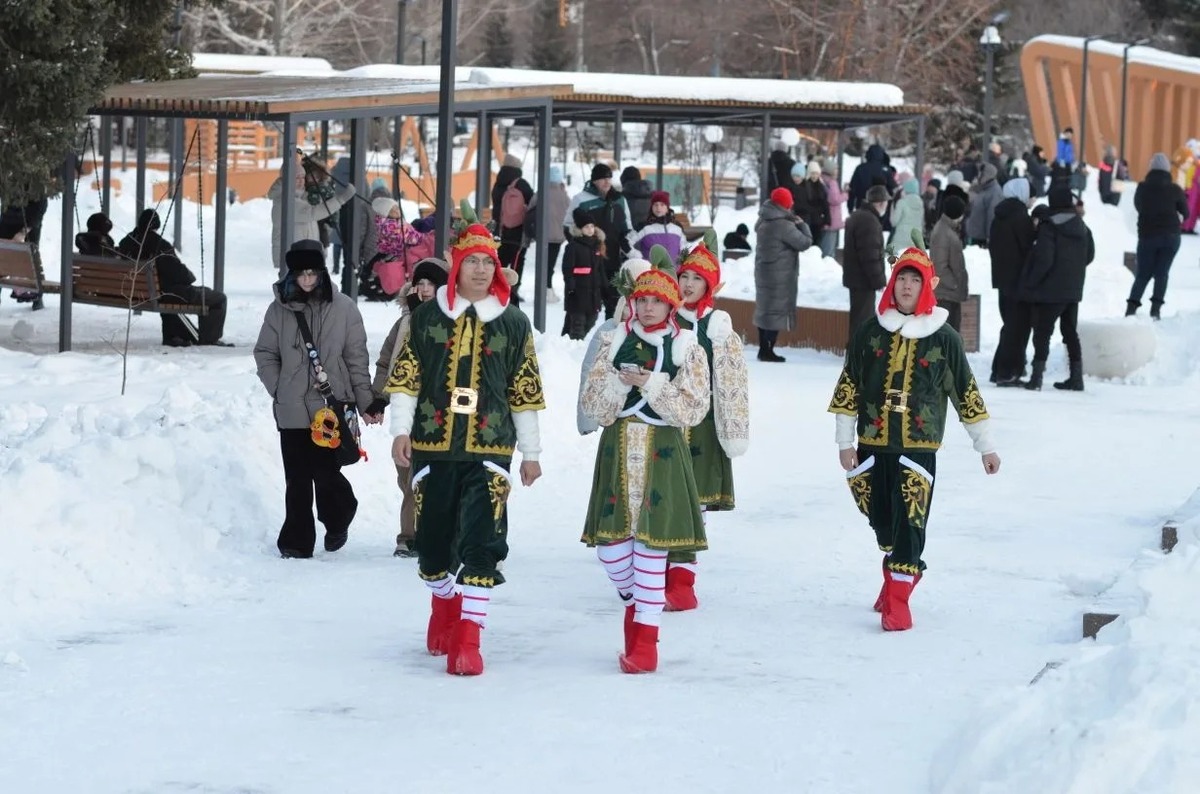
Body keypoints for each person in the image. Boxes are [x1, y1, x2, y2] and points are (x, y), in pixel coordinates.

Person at [385, 221, 546, 677]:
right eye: (471, 261)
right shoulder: (426, 318)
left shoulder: (513, 324)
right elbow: (407, 381)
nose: (478, 269)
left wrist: (530, 452)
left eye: (486, 262)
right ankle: (443, 603)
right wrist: (400, 430)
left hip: (491, 447)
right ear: (457, 266)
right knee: (434, 548)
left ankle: (470, 638)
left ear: (496, 269)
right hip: (433, 444)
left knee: (482, 541)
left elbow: (525, 392)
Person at [828, 246, 1000, 632]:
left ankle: (899, 599)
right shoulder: (870, 332)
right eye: (901, 278)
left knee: (910, 523)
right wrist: (844, 441)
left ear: (926, 287)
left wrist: (985, 445)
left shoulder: (945, 338)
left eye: (914, 279)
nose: (906, 286)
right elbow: (849, 386)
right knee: (882, 523)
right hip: (872, 444)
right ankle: (895, 575)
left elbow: (966, 393)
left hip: (918, 450)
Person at [578, 266, 711, 673]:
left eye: (657, 300)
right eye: (642, 300)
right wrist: (620, 384)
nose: (649, 307)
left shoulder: (688, 346)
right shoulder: (611, 340)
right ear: (631, 303)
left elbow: (693, 408)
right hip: (617, 450)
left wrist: (651, 383)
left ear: (671, 305)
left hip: (664, 453)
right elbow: (595, 407)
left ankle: (644, 645)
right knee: (612, 551)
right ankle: (636, 604)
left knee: (652, 550)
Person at [253, 240, 380, 558]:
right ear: (290, 275)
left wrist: (366, 402)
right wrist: (279, 388)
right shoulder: (278, 309)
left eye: (312, 273)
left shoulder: (344, 308)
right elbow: (265, 353)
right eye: (300, 274)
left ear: (322, 273)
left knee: (326, 475)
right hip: (292, 407)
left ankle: (339, 517)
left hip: (329, 409)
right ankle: (296, 542)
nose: (307, 280)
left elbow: (356, 359)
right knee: (296, 479)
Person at [670, 242, 751, 611]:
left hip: (700, 428)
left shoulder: (717, 327)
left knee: (691, 500)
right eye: (683, 276)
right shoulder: (662, 315)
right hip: (665, 420)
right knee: (661, 496)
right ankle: (657, 572)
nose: (687, 285)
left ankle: (682, 580)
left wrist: (733, 428)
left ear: (709, 286)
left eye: (695, 279)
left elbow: (732, 384)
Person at [367, 257, 450, 558]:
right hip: (408, 406)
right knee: (407, 473)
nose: (425, 290)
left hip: (440, 409)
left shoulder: (452, 322)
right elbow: (386, 362)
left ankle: (424, 533)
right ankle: (411, 532)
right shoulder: (404, 322)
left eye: (432, 284)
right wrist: (378, 397)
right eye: (421, 283)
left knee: (433, 473)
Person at [1017, 186, 1095, 391]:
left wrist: (1031, 282)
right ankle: (1076, 378)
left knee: (1043, 332)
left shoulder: (1049, 227)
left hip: (1051, 290)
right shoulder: (1082, 226)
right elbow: (1090, 255)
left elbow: (1044, 259)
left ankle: (1036, 378)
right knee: (1070, 332)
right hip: (1074, 290)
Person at [118, 209, 231, 347]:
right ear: (156, 225)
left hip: (137, 292)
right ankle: (209, 340)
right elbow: (179, 273)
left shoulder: (126, 243)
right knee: (218, 298)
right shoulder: (160, 245)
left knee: (174, 292)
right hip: (165, 293)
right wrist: (189, 276)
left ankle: (173, 335)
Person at [565, 163, 633, 318]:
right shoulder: (580, 199)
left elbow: (627, 228)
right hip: (589, 263)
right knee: (586, 307)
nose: (607, 182)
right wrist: (581, 250)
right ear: (594, 180)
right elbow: (568, 227)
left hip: (613, 260)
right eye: (603, 178)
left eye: (609, 178)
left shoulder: (619, 200)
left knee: (614, 304)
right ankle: (574, 340)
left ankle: (610, 336)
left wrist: (628, 250)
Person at [752, 187, 813, 362]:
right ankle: (768, 351)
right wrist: (802, 224)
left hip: (764, 272)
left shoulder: (763, 220)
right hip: (780, 275)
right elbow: (805, 242)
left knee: (765, 311)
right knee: (776, 312)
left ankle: (763, 348)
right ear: (785, 204)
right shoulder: (783, 225)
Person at [269, 153, 356, 271]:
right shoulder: (286, 201)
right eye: (296, 178)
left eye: (302, 177)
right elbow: (313, 212)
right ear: (287, 179)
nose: (301, 181)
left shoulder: (301, 197)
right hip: (293, 259)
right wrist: (341, 199)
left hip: (302, 256)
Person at [1127, 152, 1188, 319]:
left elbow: (1138, 207)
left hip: (1148, 236)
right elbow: (1186, 213)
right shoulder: (1175, 189)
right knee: (1162, 273)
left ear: (1150, 168)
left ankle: (1131, 309)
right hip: (1171, 236)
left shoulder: (1142, 187)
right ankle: (1155, 311)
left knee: (1143, 274)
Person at [988, 177, 1036, 385]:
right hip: (1017, 279)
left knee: (1009, 324)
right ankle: (1006, 372)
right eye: (1031, 197)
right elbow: (1027, 246)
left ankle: (999, 368)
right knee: (1017, 326)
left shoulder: (1000, 216)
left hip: (1002, 278)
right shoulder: (1020, 216)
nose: (1032, 201)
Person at [842, 184, 890, 347]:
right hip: (863, 280)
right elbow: (870, 255)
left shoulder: (858, 216)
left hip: (855, 277)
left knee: (858, 316)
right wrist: (878, 280)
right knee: (863, 318)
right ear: (881, 203)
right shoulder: (870, 221)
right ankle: (858, 351)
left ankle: (856, 348)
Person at [524, 165, 571, 302]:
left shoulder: (541, 193)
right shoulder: (564, 196)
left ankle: (544, 290)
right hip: (558, 236)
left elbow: (530, 210)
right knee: (550, 265)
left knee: (543, 265)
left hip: (542, 236)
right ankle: (548, 291)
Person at [561, 207, 608, 340]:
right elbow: (567, 268)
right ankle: (574, 343)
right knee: (577, 322)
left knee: (592, 319)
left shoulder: (596, 246)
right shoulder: (573, 246)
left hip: (593, 294)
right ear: (580, 229)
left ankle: (566, 340)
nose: (590, 229)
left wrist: (605, 287)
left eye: (592, 226)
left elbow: (600, 269)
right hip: (578, 293)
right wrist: (571, 284)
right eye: (586, 227)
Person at [491, 153, 533, 300]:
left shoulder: (498, 182)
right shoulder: (520, 184)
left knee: (500, 259)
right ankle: (513, 290)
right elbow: (532, 201)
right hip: (518, 231)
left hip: (501, 229)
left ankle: (496, 286)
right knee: (517, 260)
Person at [929, 195, 968, 331]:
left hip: (949, 293)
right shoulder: (943, 233)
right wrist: (955, 284)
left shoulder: (947, 229)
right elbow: (939, 267)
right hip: (945, 293)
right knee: (948, 335)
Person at [626, 190, 687, 262]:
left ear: (667, 208)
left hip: (673, 272)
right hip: (651, 271)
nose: (658, 208)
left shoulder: (677, 229)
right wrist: (638, 257)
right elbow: (627, 244)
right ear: (652, 207)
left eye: (662, 204)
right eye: (655, 205)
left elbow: (684, 250)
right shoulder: (645, 228)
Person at [791, 160, 830, 246]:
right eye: (812, 173)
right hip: (808, 219)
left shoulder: (821, 186)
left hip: (817, 220)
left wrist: (827, 219)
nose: (814, 176)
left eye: (816, 173)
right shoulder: (805, 187)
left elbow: (825, 204)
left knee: (815, 243)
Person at [964, 164, 1003, 247]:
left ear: (988, 175)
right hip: (974, 235)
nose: (978, 177)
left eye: (981, 174)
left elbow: (992, 216)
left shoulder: (994, 192)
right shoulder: (983, 189)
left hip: (982, 239)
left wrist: (990, 237)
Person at [819, 162, 849, 258]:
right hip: (832, 219)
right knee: (829, 249)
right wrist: (845, 194)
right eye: (836, 169)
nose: (837, 171)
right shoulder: (832, 182)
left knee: (825, 245)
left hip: (827, 218)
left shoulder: (823, 180)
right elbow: (834, 199)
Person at [889, 178, 924, 251]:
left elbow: (894, 222)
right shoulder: (921, 204)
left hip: (901, 238)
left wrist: (892, 210)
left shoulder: (901, 202)